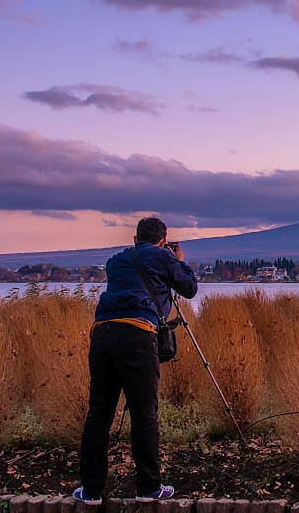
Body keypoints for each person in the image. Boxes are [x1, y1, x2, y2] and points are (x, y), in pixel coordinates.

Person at [74, 216, 198, 505]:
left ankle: (91, 491)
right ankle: (148, 487)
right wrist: (178, 261)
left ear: (134, 239)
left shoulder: (115, 261)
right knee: (144, 413)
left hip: (102, 333)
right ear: (164, 240)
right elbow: (189, 288)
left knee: (99, 414)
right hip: (137, 335)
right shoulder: (162, 257)